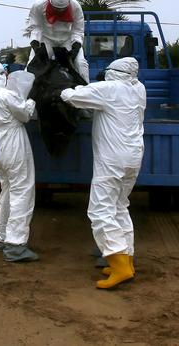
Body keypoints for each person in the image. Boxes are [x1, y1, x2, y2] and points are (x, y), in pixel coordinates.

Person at [60, 57, 145, 289]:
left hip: (112, 159)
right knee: (120, 206)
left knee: (100, 210)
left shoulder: (110, 89)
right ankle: (127, 260)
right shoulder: (139, 88)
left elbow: (72, 97)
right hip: (133, 156)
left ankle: (119, 266)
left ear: (113, 73)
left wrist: (63, 88)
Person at [0, 60, 39, 262]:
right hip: (13, 142)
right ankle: (16, 245)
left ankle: (2, 237)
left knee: (7, 189)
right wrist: (31, 100)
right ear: (2, 75)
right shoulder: (7, 95)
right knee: (22, 191)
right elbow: (25, 115)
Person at [26, 0, 89, 81]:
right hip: (47, 39)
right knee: (32, 64)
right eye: (57, 8)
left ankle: (86, 88)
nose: (60, 11)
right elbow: (35, 26)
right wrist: (35, 44)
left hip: (67, 40)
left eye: (63, 9)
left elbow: (78, 30)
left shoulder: (76, 7)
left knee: (81, 63)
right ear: (50, 1)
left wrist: (76, 46)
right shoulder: (38, 5)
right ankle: (26, 89)